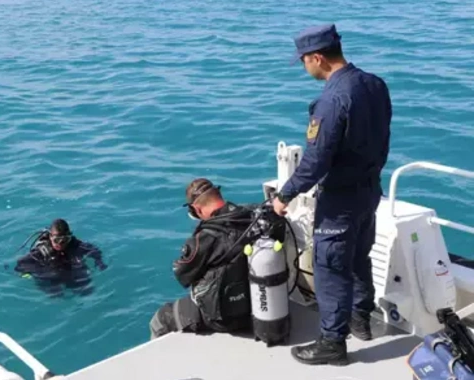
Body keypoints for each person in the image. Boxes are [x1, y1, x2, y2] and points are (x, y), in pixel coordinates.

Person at [272, 24, 392, 365]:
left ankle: (332, 343)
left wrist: (285, 195)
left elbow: (316, 160)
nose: (303, 67)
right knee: (358, 258)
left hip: (339, 199)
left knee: (331, 267)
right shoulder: (374, 84)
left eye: (303, 61)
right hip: (369, 192)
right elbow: (383, 137)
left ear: (317, 58)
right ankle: (360, 320)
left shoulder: (332, 100)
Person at [149, 178, 257, 339]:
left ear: (196, 209)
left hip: (225, 319)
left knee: (160, 319)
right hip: (258, 307)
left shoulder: (204, 239)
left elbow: (183, 276)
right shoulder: (252, 217)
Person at [14, 218, 107, 296]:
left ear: (69, 237)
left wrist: (99, 262)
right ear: (50, 237)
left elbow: (94, 250)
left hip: (70, 269)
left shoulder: (75, 245)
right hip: (51, 273)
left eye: (64, 240)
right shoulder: (41, 251)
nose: (60, 244)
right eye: (57, 240)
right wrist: (29, 275)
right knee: (55, 295)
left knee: (87, 290)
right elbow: (21, 265)